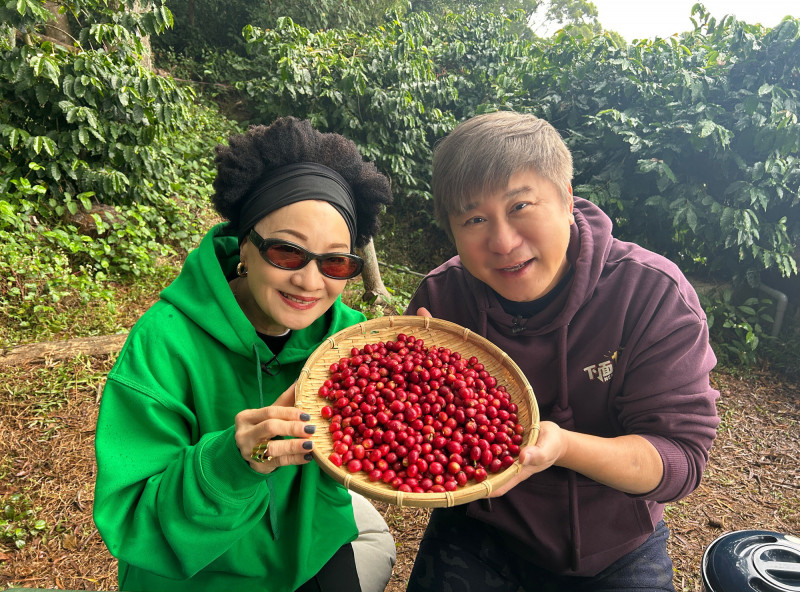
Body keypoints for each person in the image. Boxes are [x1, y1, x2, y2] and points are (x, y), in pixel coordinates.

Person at [404, 111, 720, 591]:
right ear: (452, 229)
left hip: (611, 545)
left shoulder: (650, 295)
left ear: (567, 198)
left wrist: (564, 447)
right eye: (474, 219)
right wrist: (409, 381)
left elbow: (680, 457)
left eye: (521, 206)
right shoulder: (442, 301)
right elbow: (412, 434)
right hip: (479, 528)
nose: (504, 242)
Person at [93, 117, 396, 592]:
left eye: (336, 262)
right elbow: (131, 519)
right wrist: (235, 463)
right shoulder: (165, 344)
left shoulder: (354, 343)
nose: (311, 282)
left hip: (308, 549)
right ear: (245, 247)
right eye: (287, 253)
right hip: (196, 572)